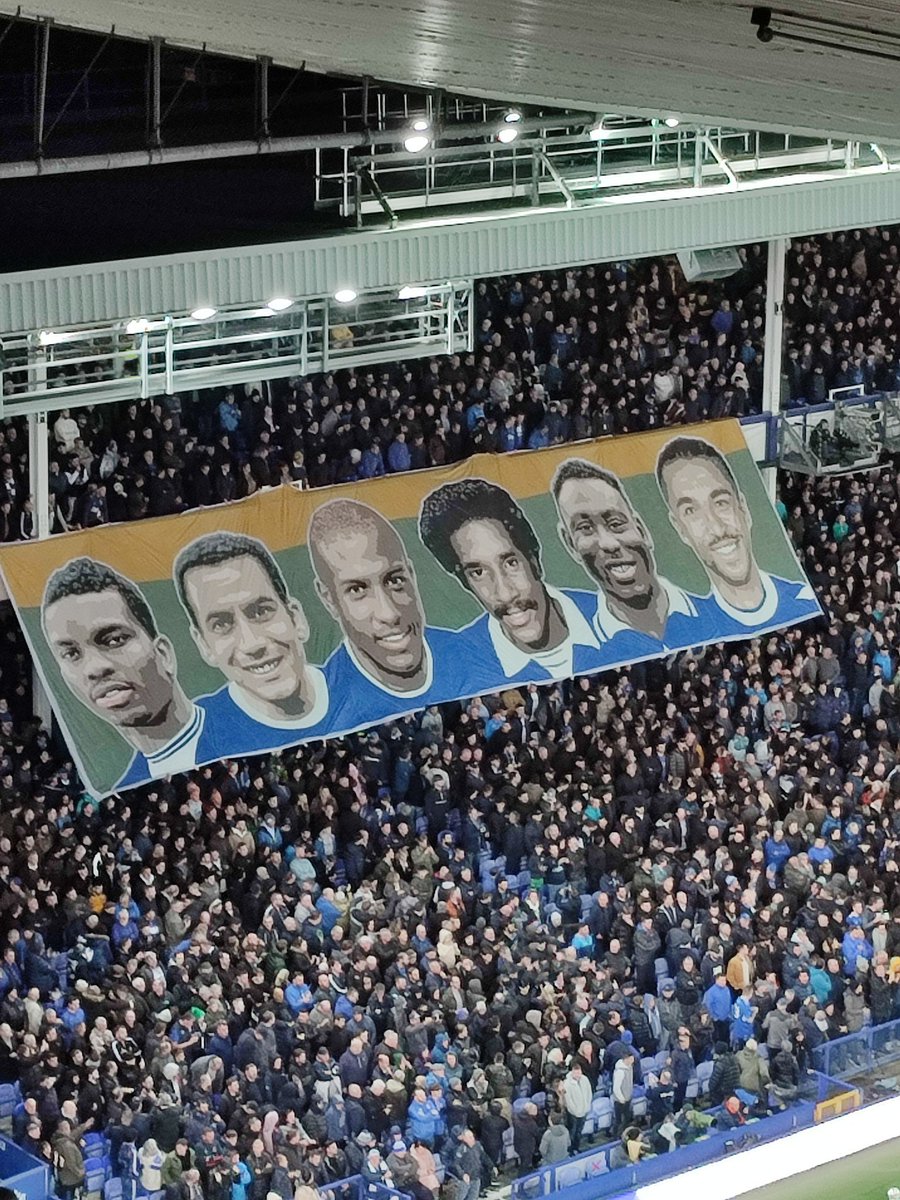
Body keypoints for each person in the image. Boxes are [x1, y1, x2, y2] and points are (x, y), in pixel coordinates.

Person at [41, 557, 203, 792]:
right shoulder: (123, 783)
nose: (94, 668)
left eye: (114, 640)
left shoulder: (248, 719)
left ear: (163, 653)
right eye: (72, 654)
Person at [418, 478, 602, 682]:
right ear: (465, 583)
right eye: (478, 573)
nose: (505, 593)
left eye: (511, 563)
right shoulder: (462, 662)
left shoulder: (610, 619)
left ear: (533, 558)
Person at [174, 532, 331, 758]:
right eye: (221, 624)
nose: (252, 644)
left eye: (261, 611)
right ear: (204, 646)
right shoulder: (192, 744)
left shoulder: (361, 688)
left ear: (296, 618)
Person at [309, 499, 467, 718]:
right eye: (357, 590)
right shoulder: (332, 706)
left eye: (395, 580)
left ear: (411, 574)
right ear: (328, 600)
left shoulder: (468, 653)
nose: (389, 614)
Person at [655, 435, 820, 633]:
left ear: (743, 508)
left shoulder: (801, 598)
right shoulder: (687, 628)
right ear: (679, 528)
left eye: (721, 502)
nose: (716, 527)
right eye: (691, 511)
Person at [551, 457, 703, 658]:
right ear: (571, 545)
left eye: (616, 523)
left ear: (642, 530)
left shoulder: (711, 613)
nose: (609, 543)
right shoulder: (584, 652)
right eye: (585, 528)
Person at [562, 1061, 593, 1153]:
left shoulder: (585, 1079)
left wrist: (587, 1106)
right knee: (572, 1132)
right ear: (572, 1072)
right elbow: (568, 1101)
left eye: (579, 1073)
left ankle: (576, 1147)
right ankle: (570, 1150)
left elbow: (589, 1093)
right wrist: (575, 1111)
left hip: (584, 1111)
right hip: (573, 1114)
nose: (578, 1075)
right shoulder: (567, 1084)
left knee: (579, 1131)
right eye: (576, 1073)